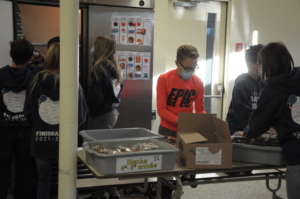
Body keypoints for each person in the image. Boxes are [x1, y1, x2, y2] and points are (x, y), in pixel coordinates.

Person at [24, 42, 88, 199]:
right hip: (66, 143)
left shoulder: (34, 82)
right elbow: (81, 117)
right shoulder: (73, 85)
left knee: (43, 181)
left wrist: (41, 125)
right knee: (69, 182)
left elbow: (27, 113)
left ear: (49, 58)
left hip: (41, 141)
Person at [244, 42, 300, 199]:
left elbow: (256, 127)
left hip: (297, 155)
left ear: (266, 65)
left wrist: (246, 131)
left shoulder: (272, 89)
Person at [85, 35, 123, 199]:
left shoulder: (98, 69)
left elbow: (95, 99)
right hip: (111, 113)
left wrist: (82, 104)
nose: (92, 48)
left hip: (100, 115)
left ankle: (102, 193)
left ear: (99, 48)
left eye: (95, 45)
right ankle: (109, 192)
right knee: (105, 154)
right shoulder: (115, 67)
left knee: (99, 155)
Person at [0, 39, 35, 199]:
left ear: (10, 54)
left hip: (3, 131)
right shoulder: (35, 77)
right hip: (26, 131)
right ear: (30, 58)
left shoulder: (0, 75)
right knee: (24, 171)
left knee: (2, 171)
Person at [156, 44, 205, 138]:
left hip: (188, 129)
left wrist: (201, 122)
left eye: (193, 68)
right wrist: (180, 121)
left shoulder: (198, 82)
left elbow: (200, 109)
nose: (190, 71)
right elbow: (162, 110)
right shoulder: (164, 79)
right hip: (167, 129)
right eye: (187, 68)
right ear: (177, 63)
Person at [226, 44, 264, 135]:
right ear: (251, 65)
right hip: (239, 130)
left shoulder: (262, 83)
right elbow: (243, 116)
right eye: (262, 64)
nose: (265, 67)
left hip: (254, 127)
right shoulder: (242, 83)